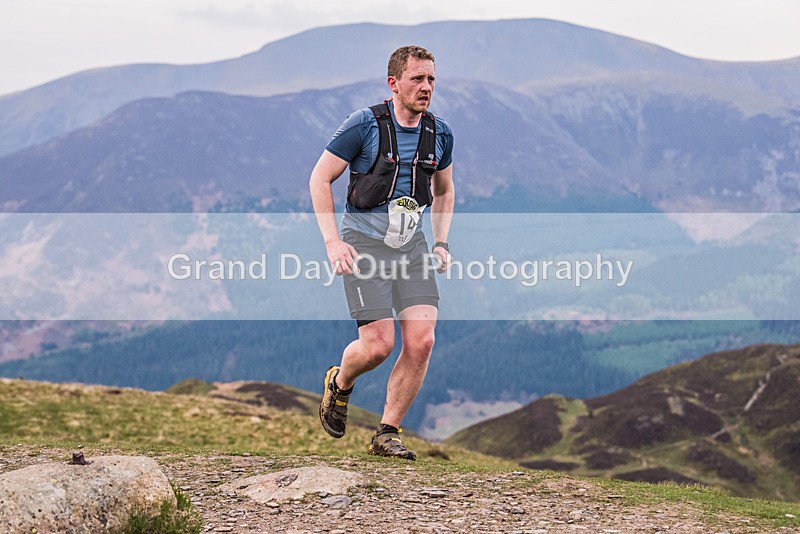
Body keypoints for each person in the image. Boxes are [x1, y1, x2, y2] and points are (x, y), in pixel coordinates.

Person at [309, 45, 454, 460]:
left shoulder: (439, 133)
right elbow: (320, 179)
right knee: (377, 346)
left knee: (422, 341)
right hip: (364, 246)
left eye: (431, 80)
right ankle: (340, 382)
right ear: (394, 83)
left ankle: (386, 434)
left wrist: (441, 242)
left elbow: (444, 191)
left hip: (412, 248)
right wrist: (333, 242)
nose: (426, 87)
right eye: (417, 79)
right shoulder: (365, 125)